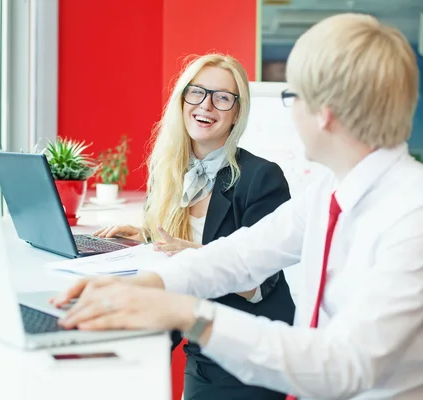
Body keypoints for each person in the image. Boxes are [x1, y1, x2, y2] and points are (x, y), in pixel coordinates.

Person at [52, 13, 423, 399]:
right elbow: (242, 254)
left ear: (323, 113)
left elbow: (343, 366)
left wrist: (189, 315)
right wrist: (145, 285)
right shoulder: (330, 190)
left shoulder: (411, 216)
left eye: (290, 97)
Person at [93, 54, 295, 399]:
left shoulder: (262, 178)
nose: (206, 105)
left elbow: (258, 286)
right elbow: (183, 239)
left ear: (236, 113)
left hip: (247, 342)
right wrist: (145, 234)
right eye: (197, 92)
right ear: (182, 99)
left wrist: (196, 255)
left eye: (222, 97)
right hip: (197, 335)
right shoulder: (169, 169)